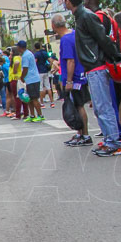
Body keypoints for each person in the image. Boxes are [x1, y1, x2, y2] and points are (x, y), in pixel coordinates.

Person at [65, 0, 121, 157]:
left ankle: (113, 143)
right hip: (92, 66)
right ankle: (109, 140)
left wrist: (115, 56)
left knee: (103, 107)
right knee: (99, 108)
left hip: (96, 65)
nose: (63, 2)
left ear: (69, 1)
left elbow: (103, 38)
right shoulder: (81, 16)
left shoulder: (86, 16)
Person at [52, 13, 91, 146]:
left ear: (53, 26)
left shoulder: (66, 39)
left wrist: (68, 81)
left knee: (78, 106)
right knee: (77, 105)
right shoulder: (74, 34)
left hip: (74, 79)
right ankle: (80, 133)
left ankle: (85, 135)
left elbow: (70, 61)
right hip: (80, 75)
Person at [18, 40, 43, 121]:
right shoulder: (29, 53)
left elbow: (25, 68)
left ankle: (40, 115)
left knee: (34, 98)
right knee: (29, 99)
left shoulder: (25, 56)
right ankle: (32, 115)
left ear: (20, 47)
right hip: (30, 79)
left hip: (32, 79)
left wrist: (22, 77)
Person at [33, 41, 55, 108]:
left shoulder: (36, 54)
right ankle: (52, 102)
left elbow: (35, 62)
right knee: (48, 87)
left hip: (39, 72)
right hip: (46, 71)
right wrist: (49, 67)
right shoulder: (44, 53)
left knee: (41, 88)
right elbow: (51, 61)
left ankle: (42, 103)